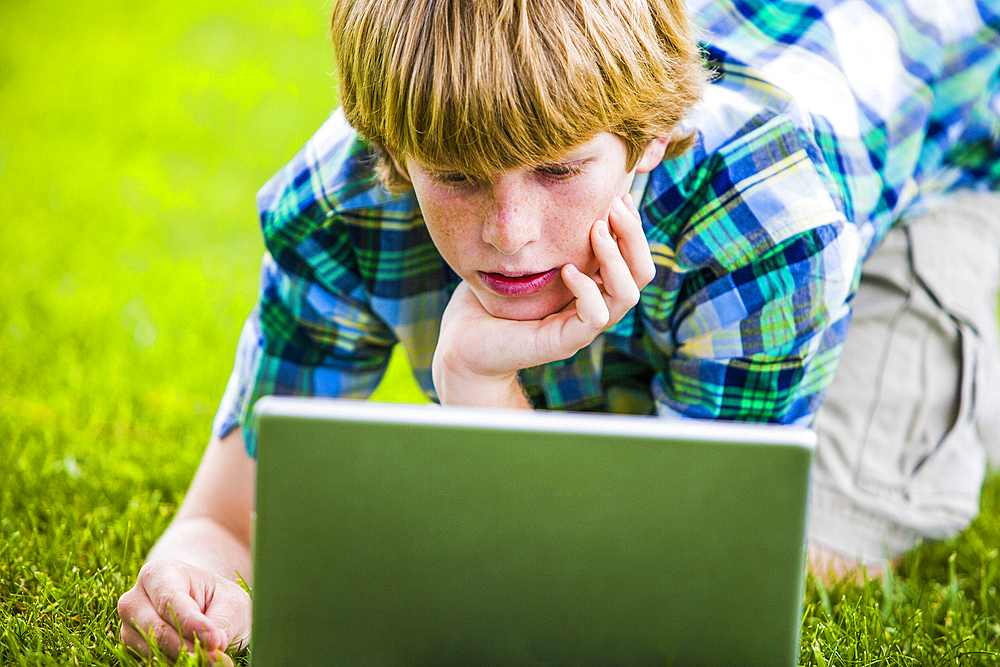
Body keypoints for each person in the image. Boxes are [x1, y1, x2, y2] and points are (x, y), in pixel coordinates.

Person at [118, 0, 1000, 661]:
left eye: (561, 169)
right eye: (457, 178)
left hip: (946, 149)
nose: (512, 234)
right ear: (390, 151)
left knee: (811, 552)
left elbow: (685, 581)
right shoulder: (342, 195)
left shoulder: (768, 216)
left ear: (650, 139)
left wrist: (486, 417)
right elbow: (223, 517)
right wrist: (196, 573)